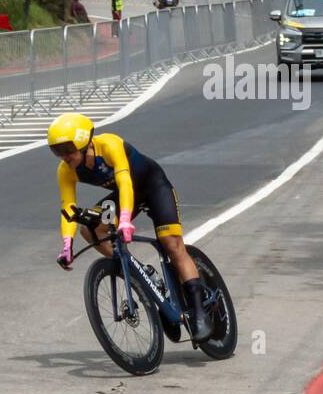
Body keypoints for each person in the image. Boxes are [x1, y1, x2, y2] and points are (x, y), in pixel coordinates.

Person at [49, 112, 213, 342]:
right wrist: (67, 245)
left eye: (67, 149)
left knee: (171, 245)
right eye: (56, 151)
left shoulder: (109, 145)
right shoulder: (65, 171)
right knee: (90, 229)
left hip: (152, 186)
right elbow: (69, 208)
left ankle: (199, 312)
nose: (64, 156)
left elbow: (125, 182)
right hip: (125, 195)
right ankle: (140, 273)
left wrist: (125, 219)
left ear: (84, 141)